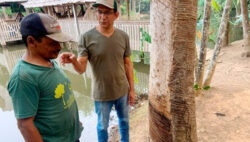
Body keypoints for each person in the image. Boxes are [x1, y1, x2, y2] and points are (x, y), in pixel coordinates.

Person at [60, 0, 135, 142]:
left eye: (107, 12)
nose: (102, 16)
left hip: (122, 91)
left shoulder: (123, 36)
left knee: (124, 123)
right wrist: (74, 61)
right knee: (102, 127)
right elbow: (81, 69)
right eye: (99, 12)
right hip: (101, 94)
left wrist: (132, 90)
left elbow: (128, 63)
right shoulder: (86, 37)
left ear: (116, 15)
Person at [7, 13, 83, 142]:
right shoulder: (23, 77)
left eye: (58, 42)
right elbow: (25, 124)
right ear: (31, 41)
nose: (59, 47)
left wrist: (74, 122)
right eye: (52, 43)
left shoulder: (49, 61)